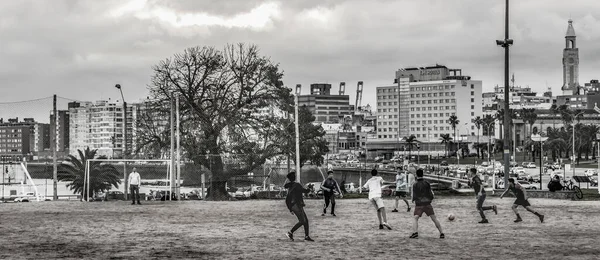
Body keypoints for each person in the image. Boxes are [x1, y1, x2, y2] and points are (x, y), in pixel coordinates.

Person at [410, 168, 444, 239]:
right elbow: (431, 193)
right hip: (427, 203)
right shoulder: (427, 183)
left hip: (419, 204)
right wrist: (430, 199)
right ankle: (441, 232)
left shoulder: (415, 184)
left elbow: (414, 195)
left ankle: (415, 232)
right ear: (423, 174)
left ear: (416, 175)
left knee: (415, 218)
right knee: (434, 218)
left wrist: (413, 200)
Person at [284, 171, 314, 242]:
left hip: (294, 206)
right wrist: (309, 188)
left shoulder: (290, 186)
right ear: (294, 177)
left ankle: (306, 236)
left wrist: (290, 209)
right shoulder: (296, 185)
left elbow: (287, 200)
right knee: (302, 221)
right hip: (297, 205)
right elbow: (305, 191)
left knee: (305, 221)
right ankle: (290, 233)